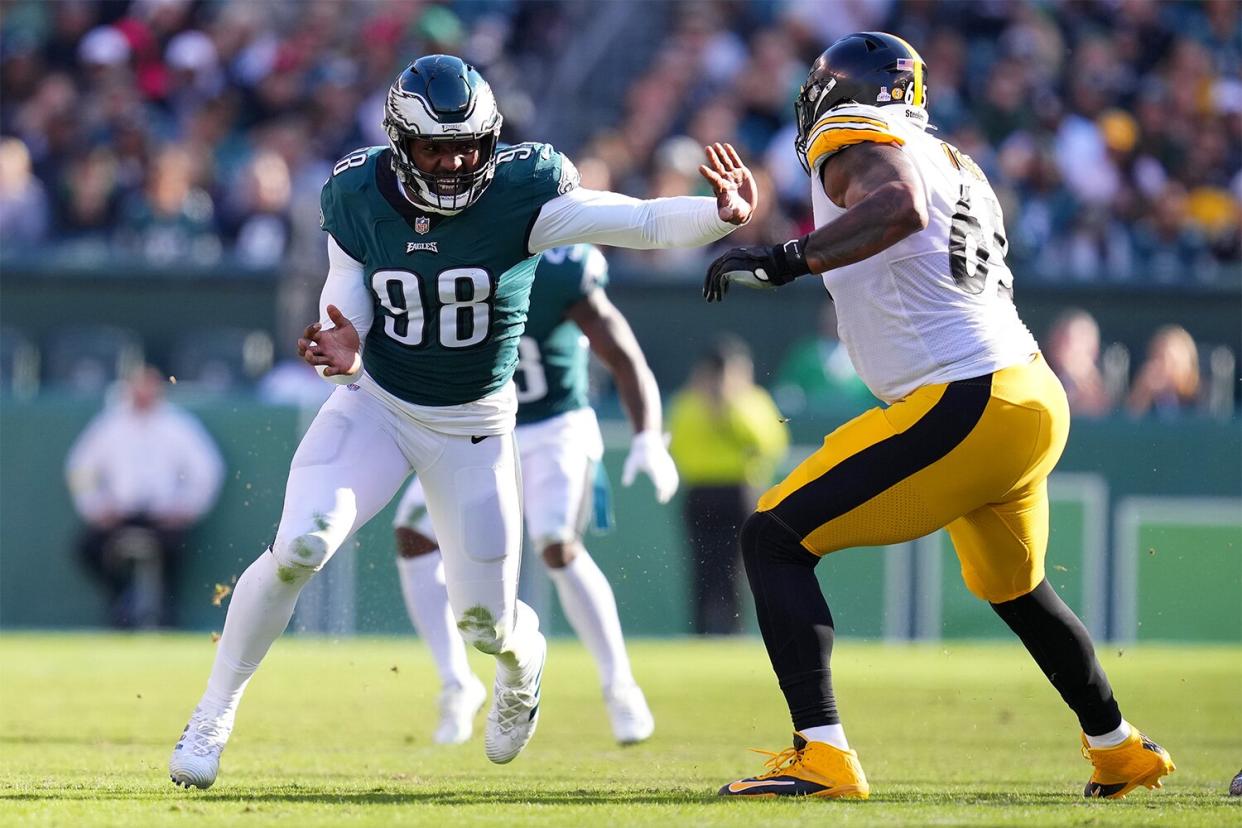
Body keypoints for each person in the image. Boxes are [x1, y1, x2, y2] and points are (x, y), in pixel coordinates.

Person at [168, 54, 755, 789]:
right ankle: (213, 715)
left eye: (466, 147)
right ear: (399, 144)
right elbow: (343, 301)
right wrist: (343, 344)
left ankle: (521, 659)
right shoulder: (356, 195)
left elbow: (635, 221)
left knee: (486, 624)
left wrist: (717, 215)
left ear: (491, 141)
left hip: (473, 426)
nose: (452, 163)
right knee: (300, 545)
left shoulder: (524, 189)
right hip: (377, 405)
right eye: (434, 148)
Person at [701, 33, 1174, 800]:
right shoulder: (957, 159)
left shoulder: (851, 135)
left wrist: (787, 258)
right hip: (1027, 394)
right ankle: (1119, 748)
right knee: (1018, 590)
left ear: (839, 92)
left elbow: (896, 205)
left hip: (965, 396)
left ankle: (821, 754)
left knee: (774, 538)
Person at [391, 243, 678, 746]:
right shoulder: (448, 253)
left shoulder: (560, 270)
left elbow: (622, 353)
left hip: (554, 427)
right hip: (481, 425)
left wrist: (647, 434)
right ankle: (457, 683)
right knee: (413, 534)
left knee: (556, 545)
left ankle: (620, 687)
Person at [65, 365, 224, 628]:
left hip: (163, 516)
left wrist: (186, 508)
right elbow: (80, 468)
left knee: (178, 550)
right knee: (87, 548)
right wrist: (96, 507)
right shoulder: (110, 425)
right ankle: (121, 599)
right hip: (119, 515)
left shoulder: (178, 425)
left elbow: (207, 469)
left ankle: (166, 612)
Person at [667, 336, 788, 635]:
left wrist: (730, 409)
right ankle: (701, 632)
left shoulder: (753, 400)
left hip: (740, 490)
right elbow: (677, 444)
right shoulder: (687, 402)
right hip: (700, 492)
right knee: (702, 566)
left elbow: (769, 443)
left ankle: (735, 631)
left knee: (737, 568)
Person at [1045, 308, 1113, 417]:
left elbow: (1110, 418)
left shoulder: (1109, 380)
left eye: (1071, 341)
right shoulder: (1038, 372)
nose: (1063, 347)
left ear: (1094, 349)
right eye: (1060, 339)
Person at [1126, 324, 1201, 418]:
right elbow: (1131, 419)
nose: (1163, 365)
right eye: (1157, 357)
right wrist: (1143, 391)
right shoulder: (1148, 389)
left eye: (1171, 360)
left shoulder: (1198, 393)